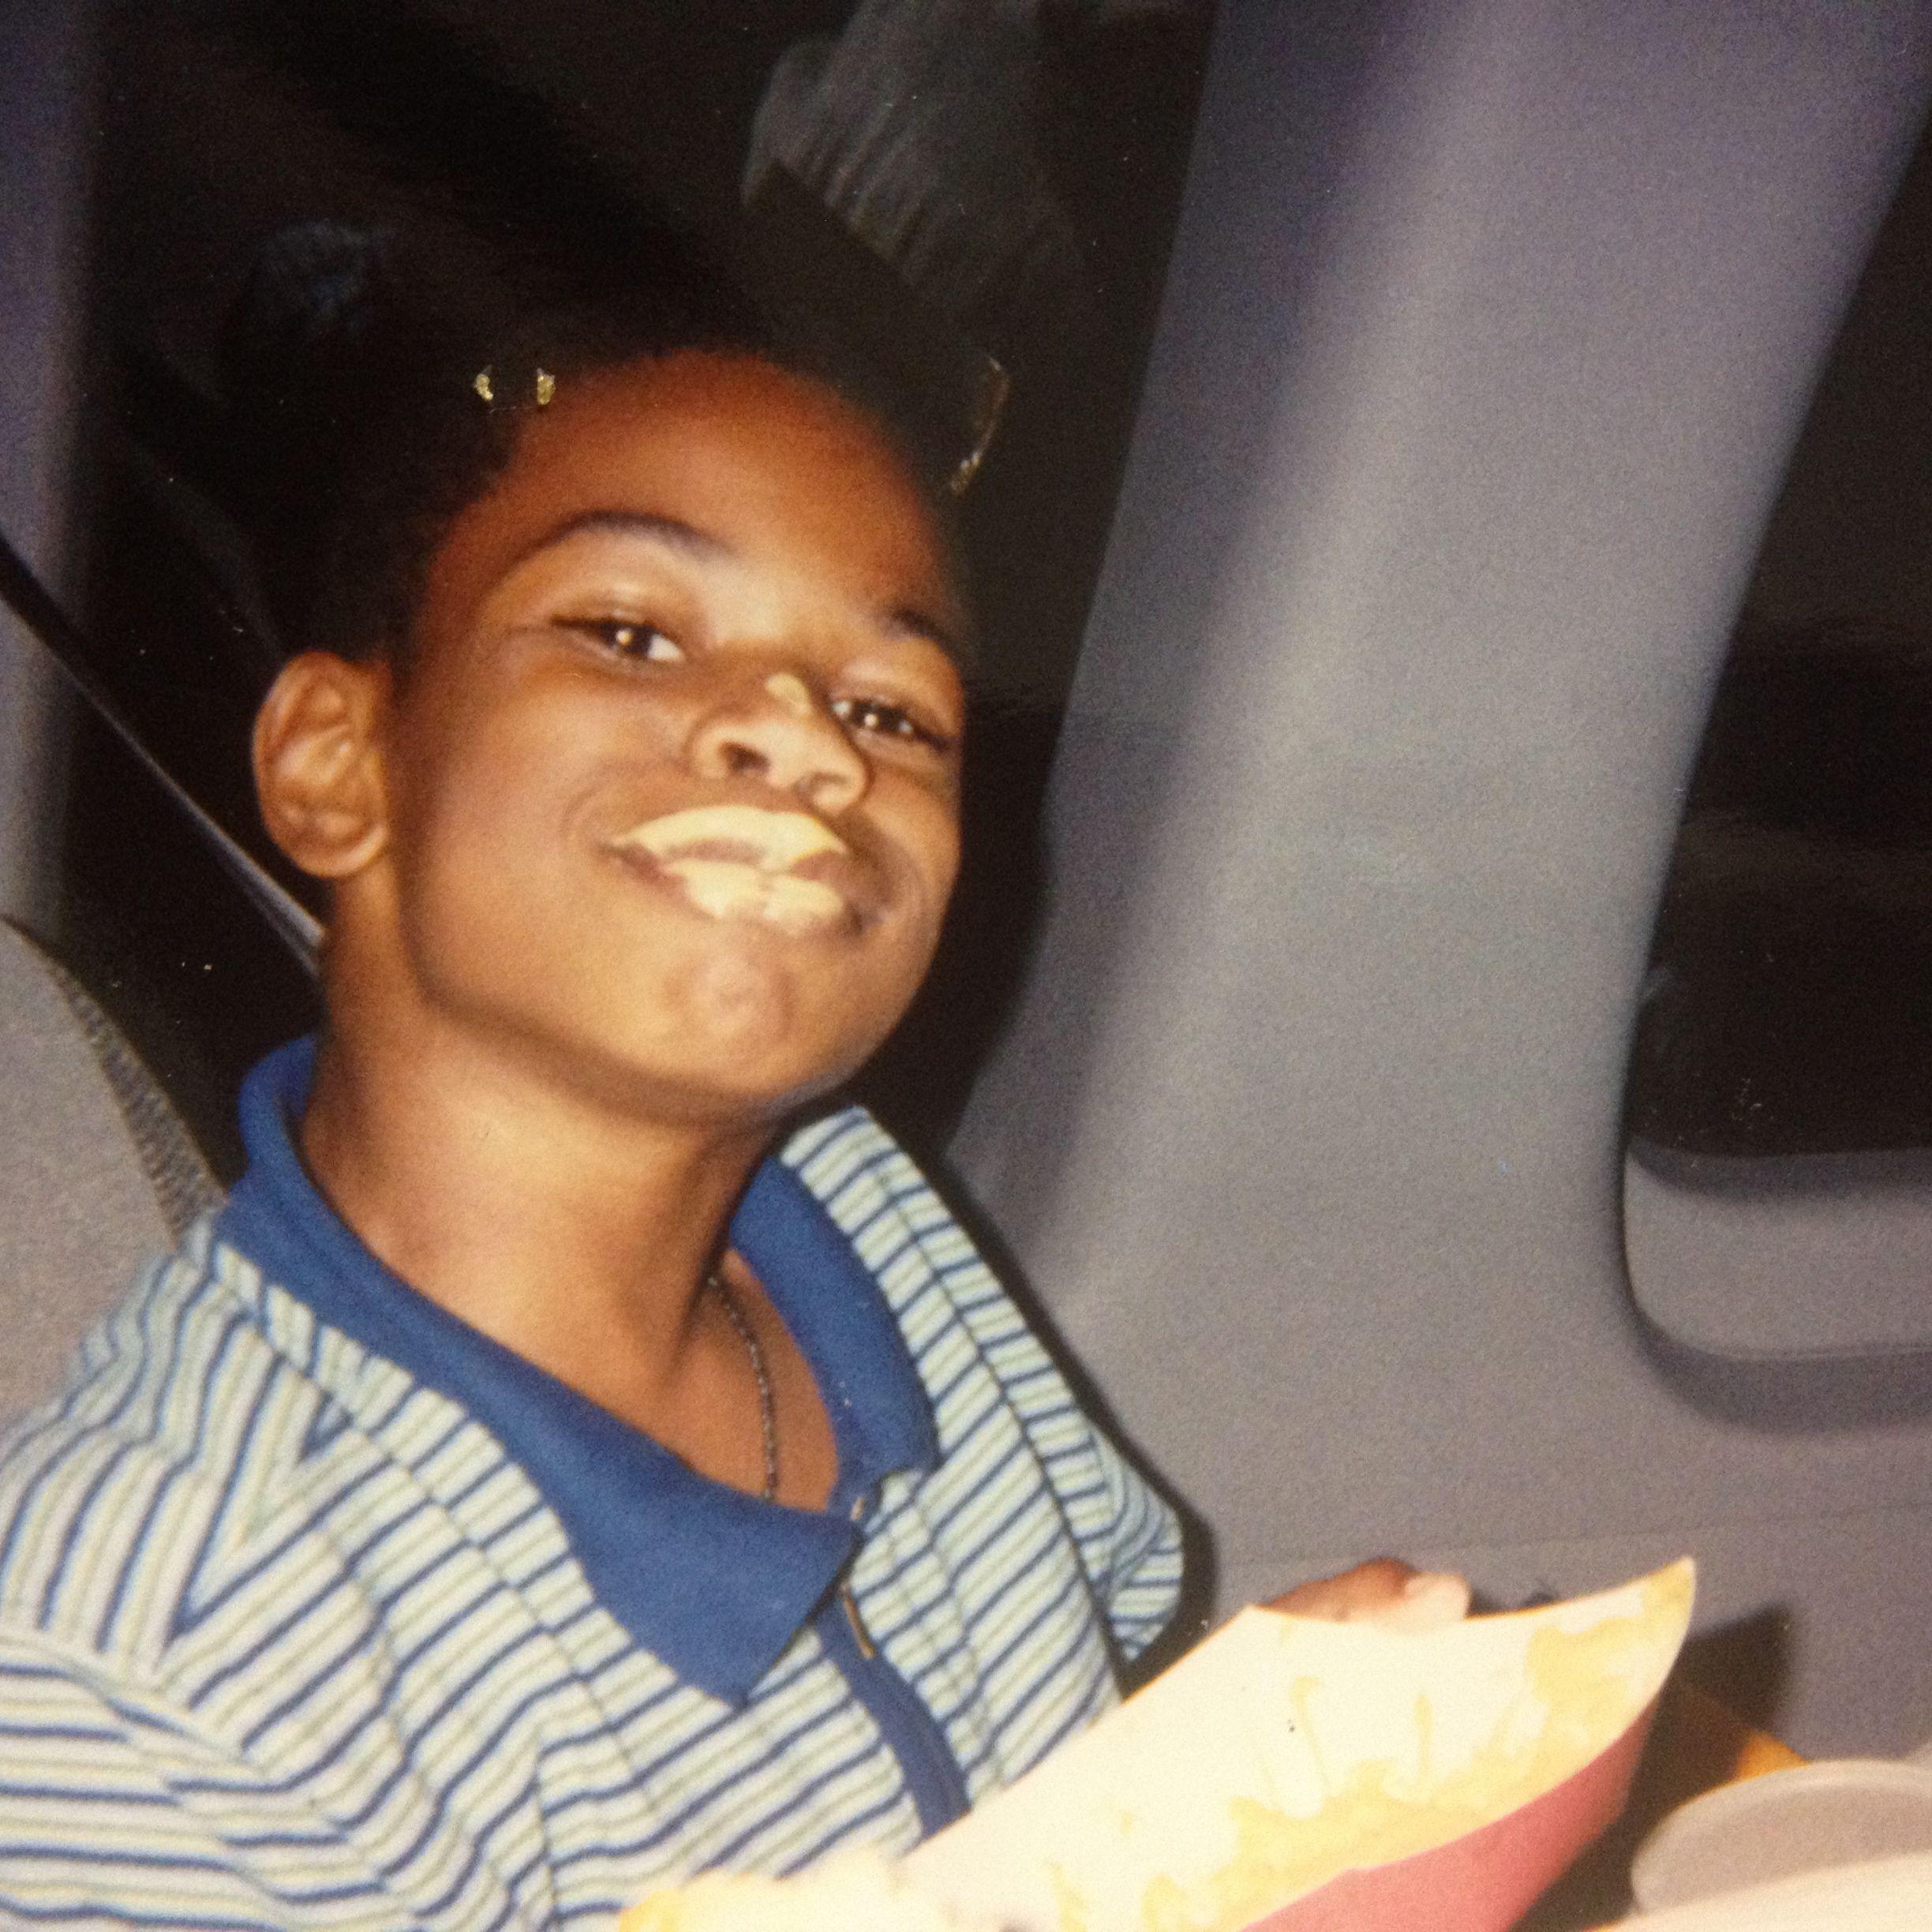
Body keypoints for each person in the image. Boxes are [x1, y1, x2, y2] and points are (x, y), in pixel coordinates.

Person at [0, 241, 1462, 1926]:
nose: (806, 740)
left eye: (894, 713)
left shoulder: (859, 1212)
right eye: (631, 632)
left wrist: (1221, 1765)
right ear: (338, 764)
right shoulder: (144, 1683)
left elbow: (1045, 1820)